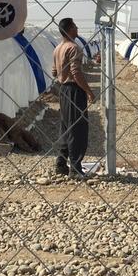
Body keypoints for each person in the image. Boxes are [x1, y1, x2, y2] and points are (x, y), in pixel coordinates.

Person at [51, 18, 96, 177]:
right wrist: (89, 91)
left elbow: (54, 72)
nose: (77, 28)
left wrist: (62, 78)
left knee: (66, 126)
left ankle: (61, 164)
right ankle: (75, 168)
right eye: (75, 26)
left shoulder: (58, 48)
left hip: (63, 90)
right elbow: (76, 72)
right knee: (77, 128)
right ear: (70, 29)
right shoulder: (74, 48)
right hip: (74, 91)